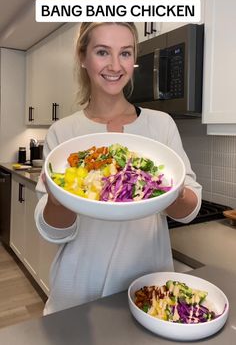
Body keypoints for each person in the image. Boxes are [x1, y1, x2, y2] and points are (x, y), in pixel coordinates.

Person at [35, 22, 202, 315]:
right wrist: (56, 198)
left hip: (146, 289)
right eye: (102, 52)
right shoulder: (63, 133)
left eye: (125, 53)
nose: (115, 65)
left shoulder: (160, 125)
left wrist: (171, 190)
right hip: (78, 293)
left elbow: (188, 212)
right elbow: (54, 232)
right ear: (83, 57)